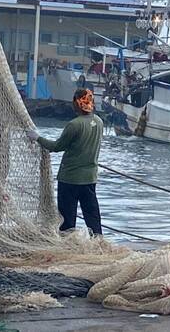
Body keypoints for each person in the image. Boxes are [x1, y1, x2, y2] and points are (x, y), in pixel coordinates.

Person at [27, 88, 104, 236]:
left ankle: (68, 244)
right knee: (92, 215)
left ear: (77, 103)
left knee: (67, 220)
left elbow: (56, 147)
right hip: (90, 178)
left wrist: (37, 138)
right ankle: (98, 242)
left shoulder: (74, 124)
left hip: (70, 179)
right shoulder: (98, 122)